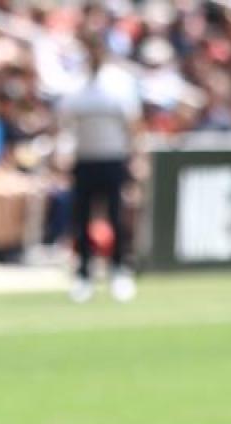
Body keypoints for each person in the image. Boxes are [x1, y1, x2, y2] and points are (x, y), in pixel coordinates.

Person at [59, 33, 141, 302]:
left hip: (113, 158)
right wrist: (63, 154)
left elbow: (132, 125)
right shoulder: (75, 84)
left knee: (116, 217)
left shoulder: (119, 83)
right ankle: (84, 274)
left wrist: (136, 157)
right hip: (84, 159)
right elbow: (65, 125)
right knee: (81, 219)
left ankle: (119, 271)